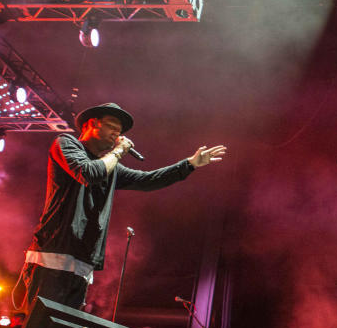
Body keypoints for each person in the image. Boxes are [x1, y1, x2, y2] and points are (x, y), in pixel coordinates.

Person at [17, 102, 226, 311]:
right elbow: (88, 173)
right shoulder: (66, 143)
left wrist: (188, 164)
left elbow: (147, 180)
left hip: (82, 264)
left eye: (120, 130)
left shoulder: (111, 167)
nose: (117, 132)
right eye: (111, 125)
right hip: (52, 255)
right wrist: (118, 152)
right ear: (91, 124)